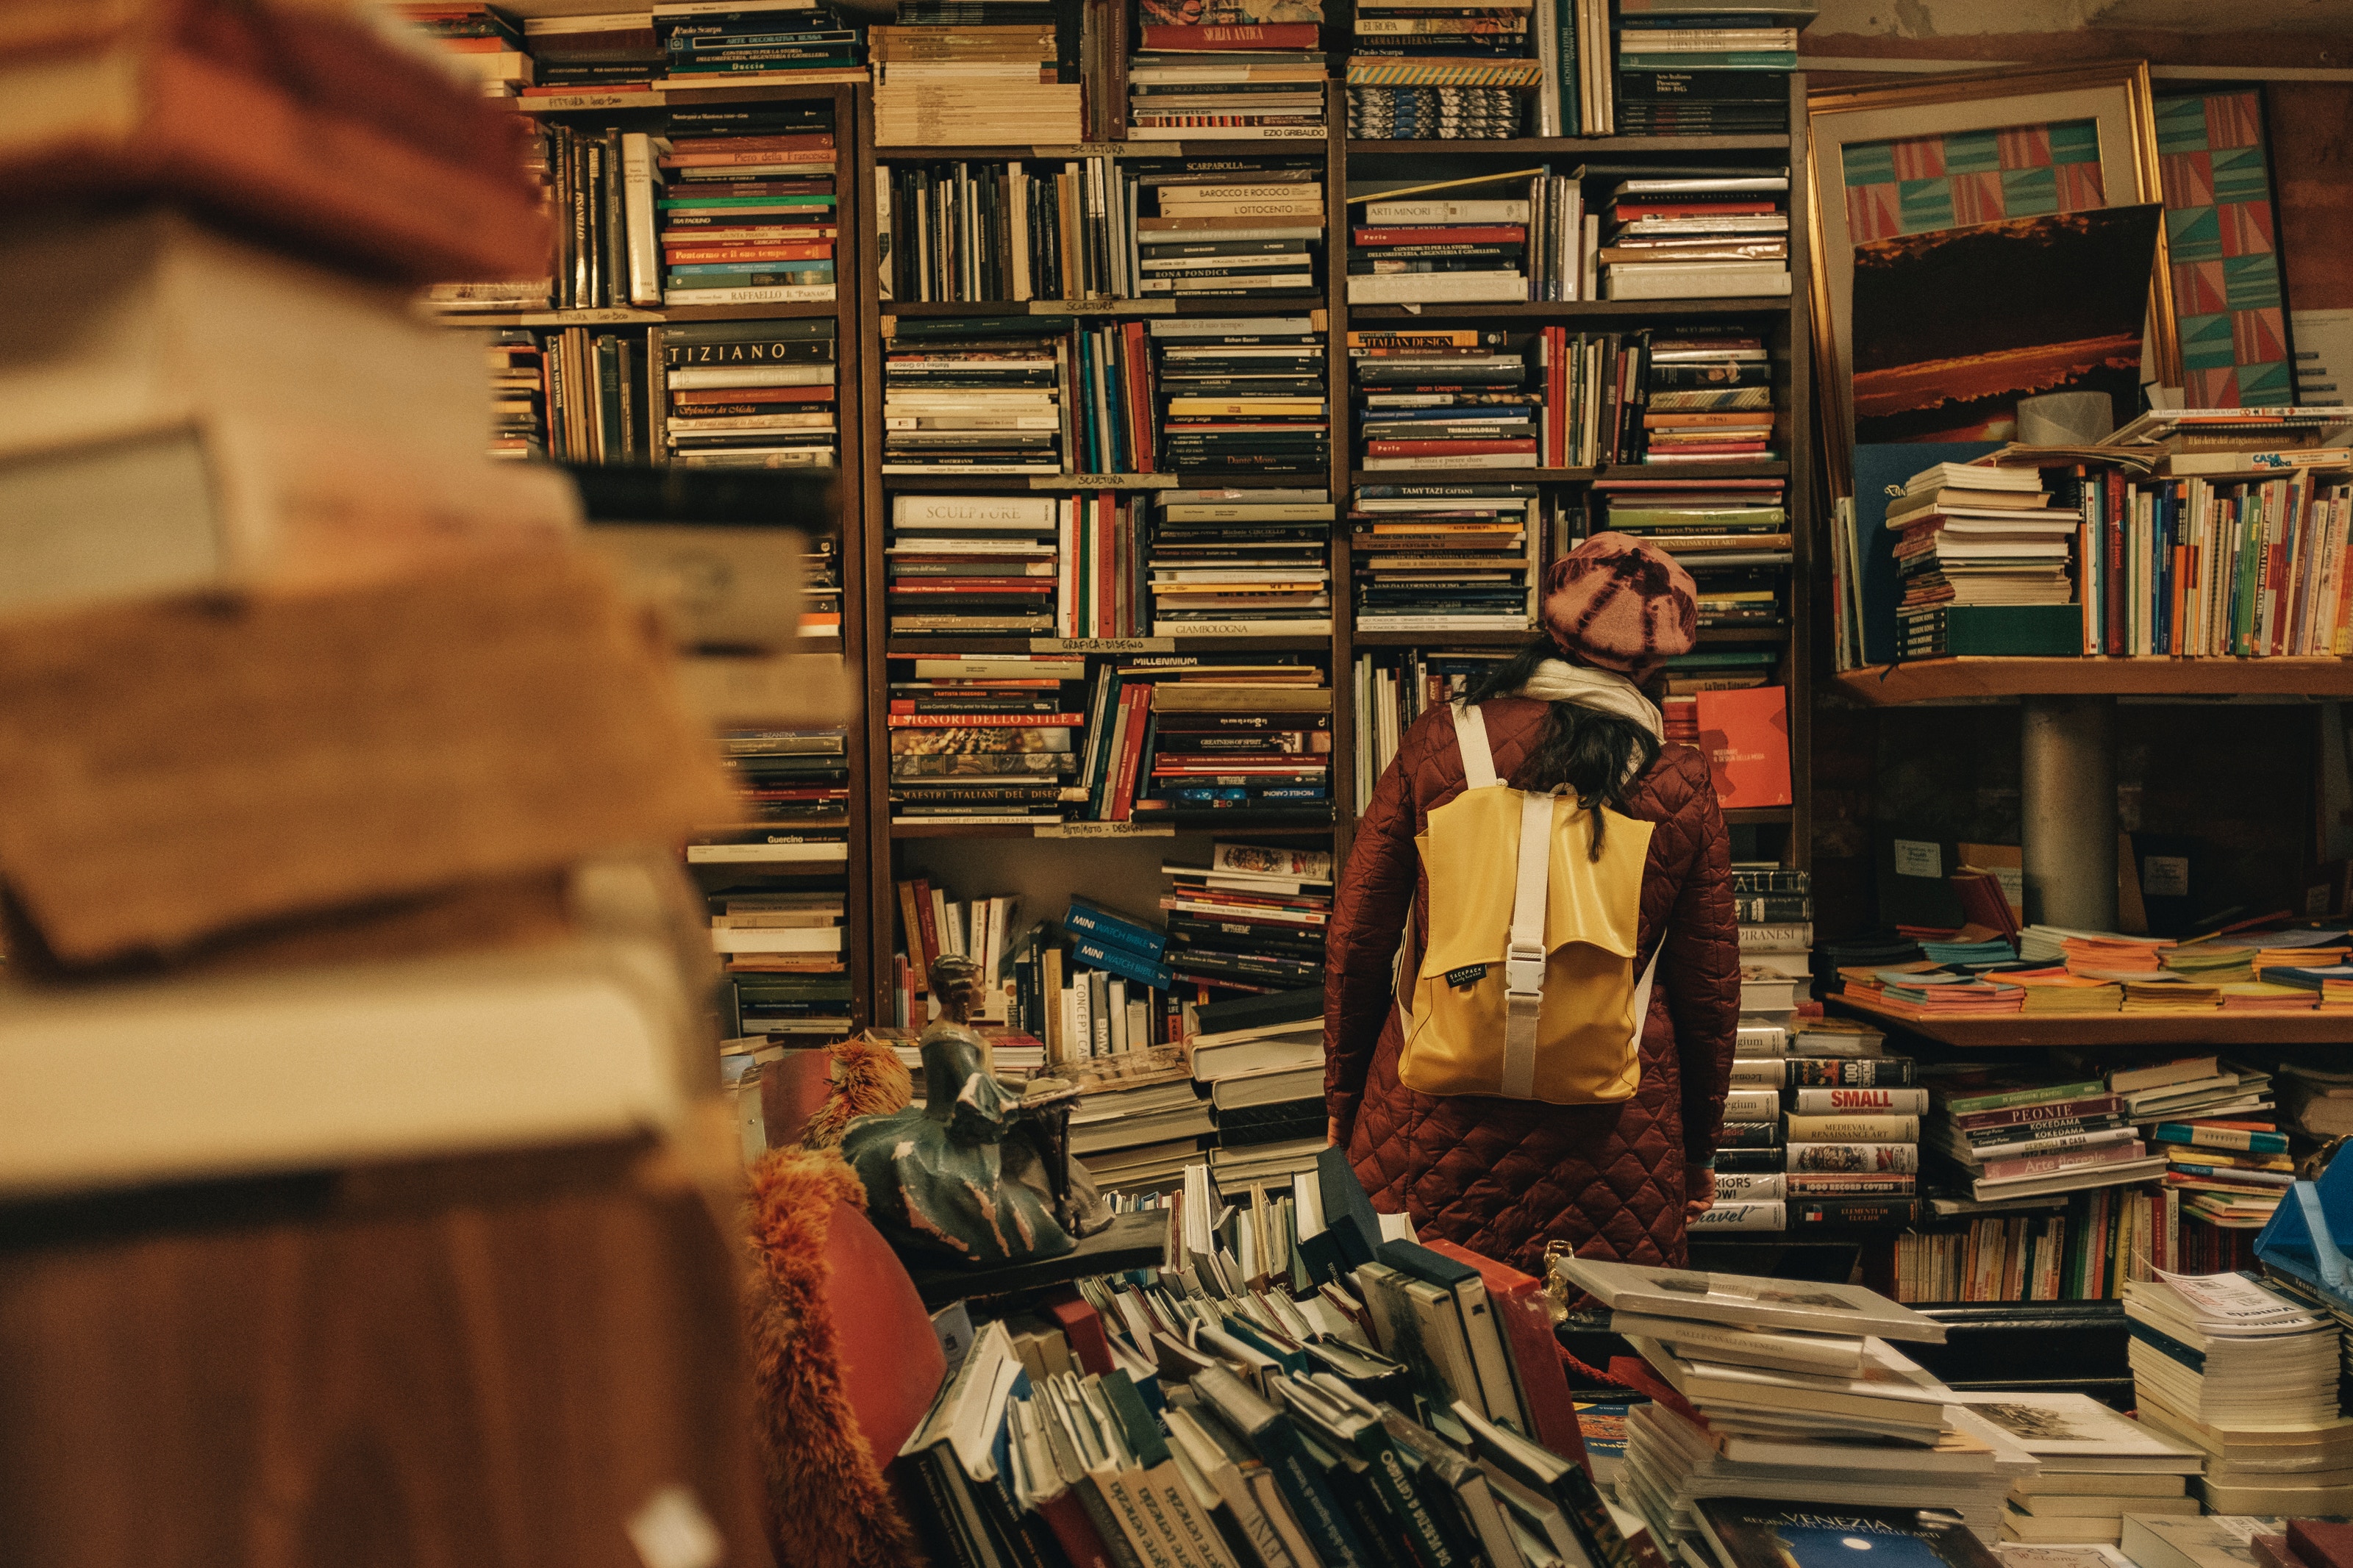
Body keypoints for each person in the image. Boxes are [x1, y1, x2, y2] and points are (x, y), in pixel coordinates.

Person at [1322, 533, 1740, 1272]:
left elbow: (1357, 939)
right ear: (1655, 664)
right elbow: (1708, 992)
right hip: (1618, 1135)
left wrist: (1344, 1100)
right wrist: (1697, 1146)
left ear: (1547, 628)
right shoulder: (1679, 779)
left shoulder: (1437, 747)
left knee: (1421, 1349)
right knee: (1601, 1364)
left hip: (1426, 1118)